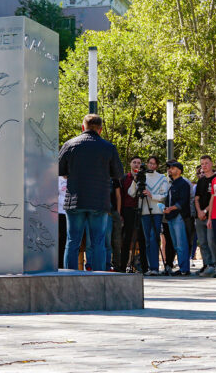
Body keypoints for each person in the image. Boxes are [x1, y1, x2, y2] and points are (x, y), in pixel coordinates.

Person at [58, 114, 124, 271]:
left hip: (75, 200)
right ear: (100, 130)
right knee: (98, 242)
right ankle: (99, 275)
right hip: (98, 201)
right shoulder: (108, 148)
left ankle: (70, 275)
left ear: (83, 127)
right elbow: (118, 174)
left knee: (72, 241)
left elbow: (59, 170)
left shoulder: (69, 144)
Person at [128, 156, 169, 276]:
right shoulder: (142, 176)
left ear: (157, 165)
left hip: (156, 211)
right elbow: (131, 193)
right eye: (150, 163)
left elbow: (164, 195)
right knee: (147, 240)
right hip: (144, 211)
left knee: (153, 238)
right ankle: (150, 267)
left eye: (154, 164)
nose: (151, 166)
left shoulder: (161, 177)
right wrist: (135, 180)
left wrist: (152, 195)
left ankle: (155, 267)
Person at [120, 156, 149, 273]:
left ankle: (144, 267)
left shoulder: (146, 177)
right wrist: (121, 213)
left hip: (142, 209)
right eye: (134, 162)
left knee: (142, 239)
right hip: (128, 210)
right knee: (126, 239)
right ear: (130, 164)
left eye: (139, 163)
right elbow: (121, 196)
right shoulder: (124, 178)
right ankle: (123, 266)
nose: (136, 165)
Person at [164, 161, 190, 276]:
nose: (170, 170)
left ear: (179, 170)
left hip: (178, 216)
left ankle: (184, 269)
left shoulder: (183, 184)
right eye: (169, 168)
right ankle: (182, 267)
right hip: (170, 216)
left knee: (181, 244)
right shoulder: (172, 184)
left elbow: (183, 201)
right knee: (176, 244)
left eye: (172, 168)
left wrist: (171, 208)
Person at [194, 155, 216, 276]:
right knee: (202, 242)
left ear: (212, 164)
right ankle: (207, 264)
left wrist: (205, 211)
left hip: (212, 215)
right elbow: (196, 198)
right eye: (202, 164)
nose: (204, 166)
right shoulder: (201, 180)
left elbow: (215, 199)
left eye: (207, 163)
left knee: (211, 241)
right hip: (199, 216)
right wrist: (199, 211)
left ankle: (215, 264)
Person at [57, 176, 67, 268]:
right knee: (60, 239)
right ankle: (59, 264)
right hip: (59, 212)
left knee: (66, 239)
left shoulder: (73, 178)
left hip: (70, 212)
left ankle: (65, 265)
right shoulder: (58, 179)